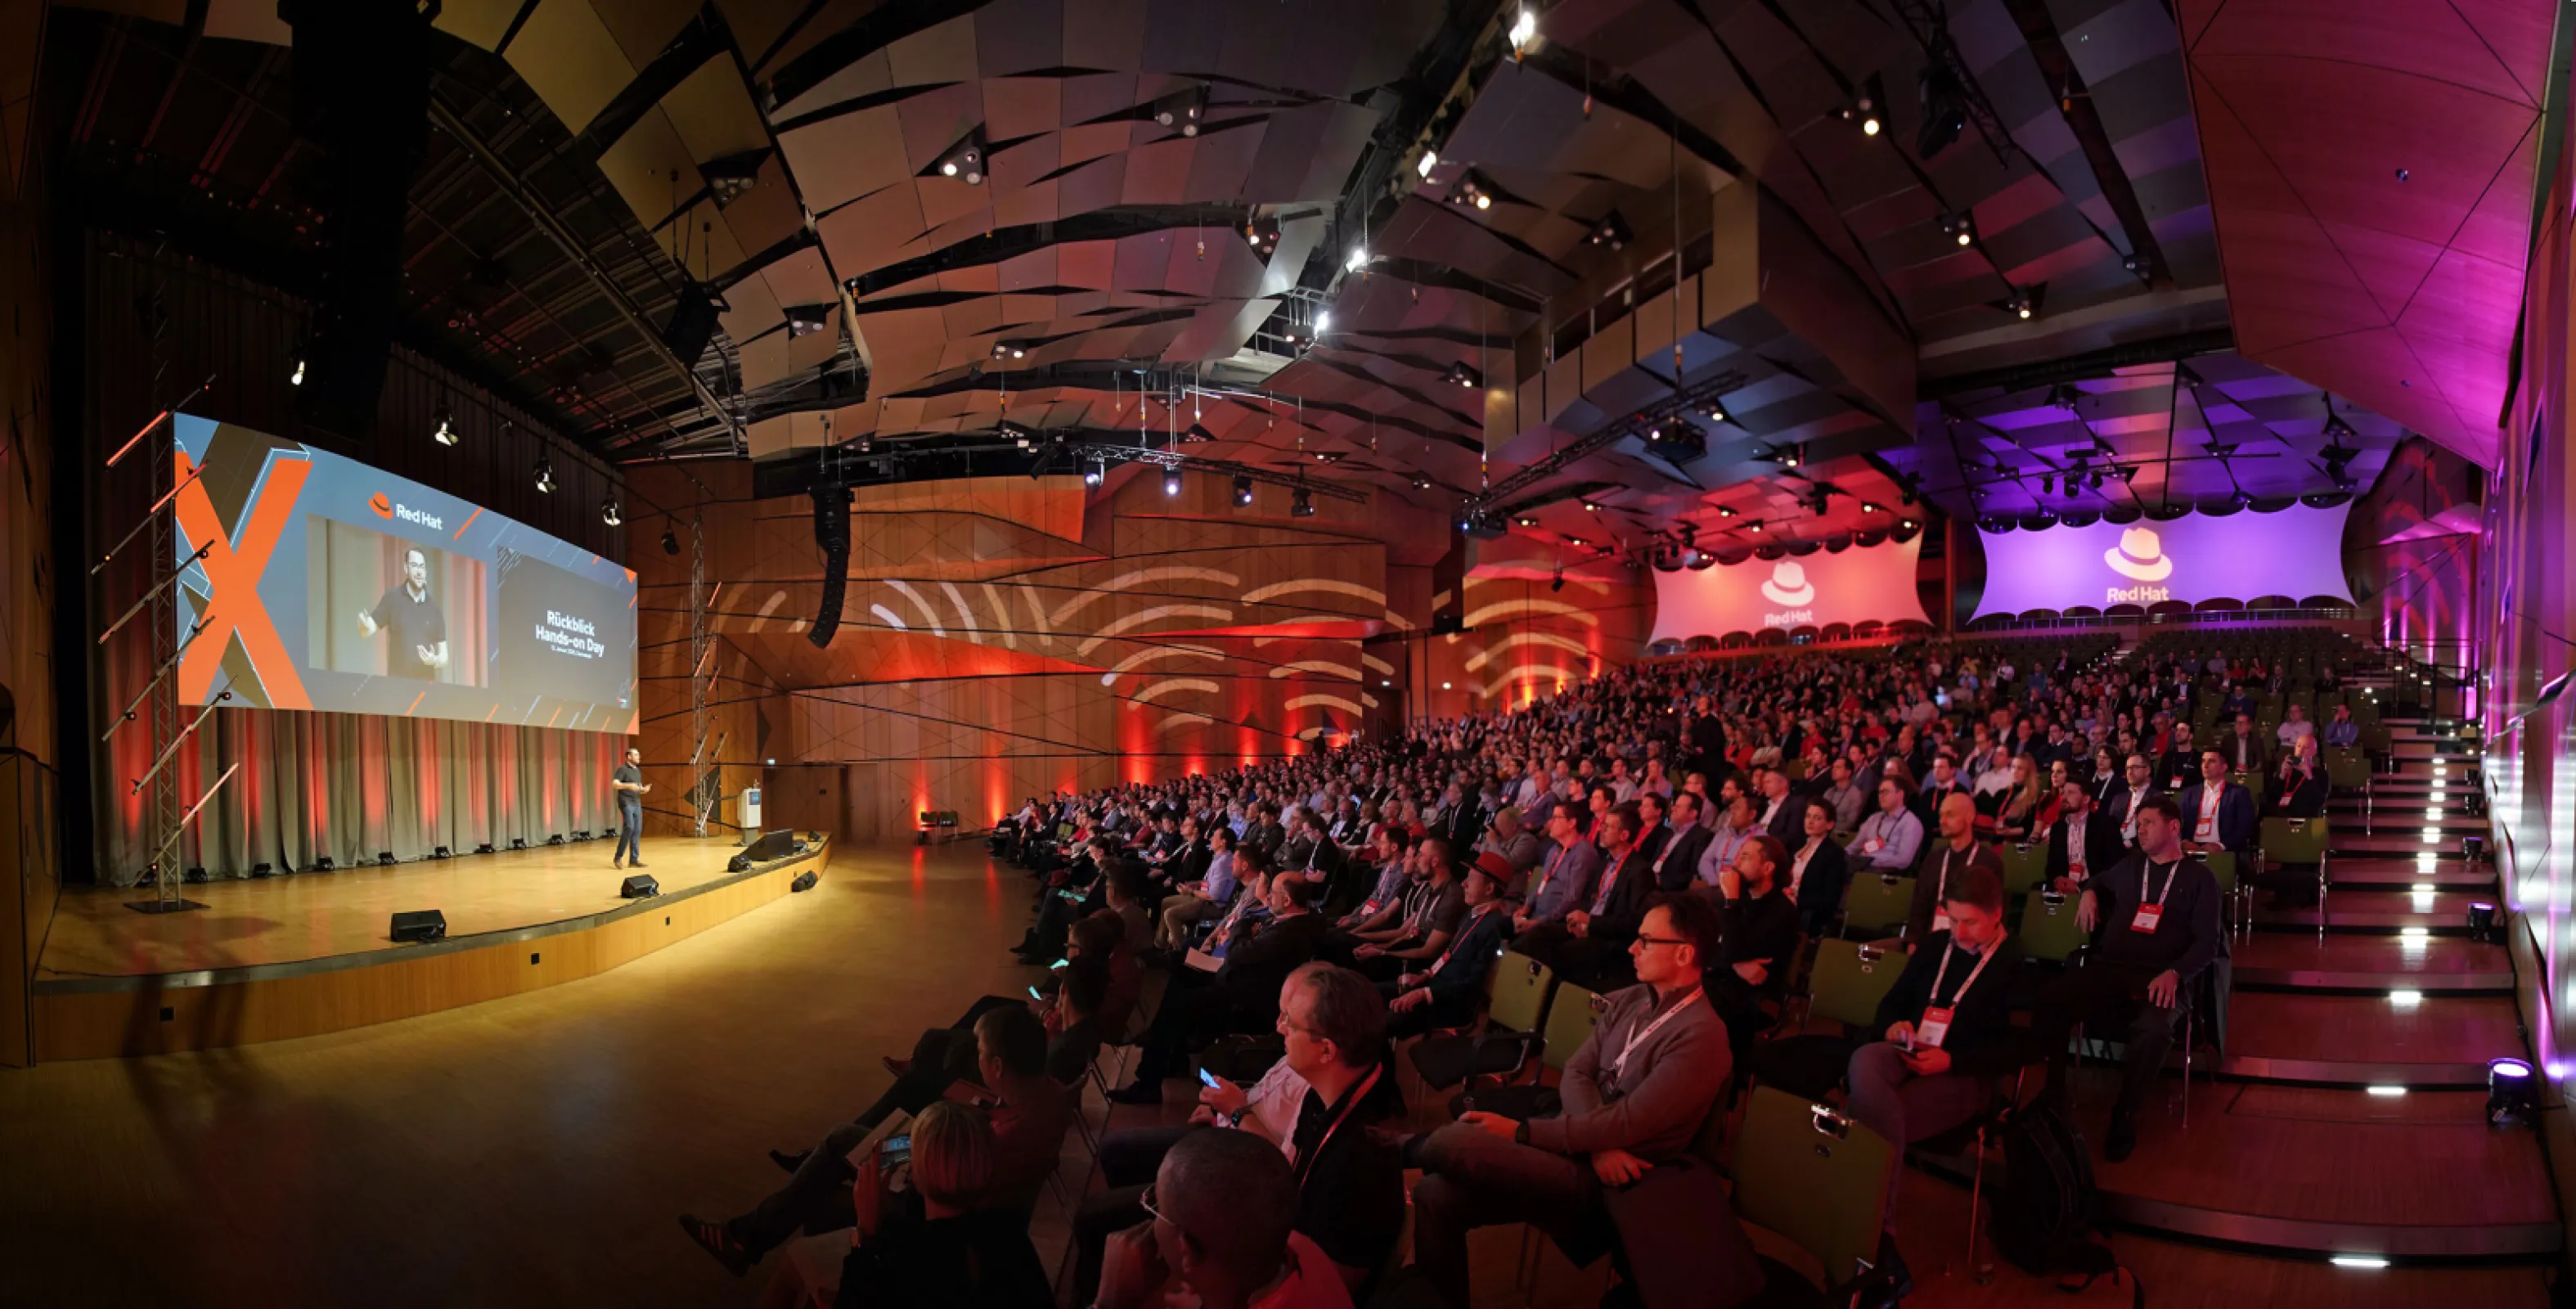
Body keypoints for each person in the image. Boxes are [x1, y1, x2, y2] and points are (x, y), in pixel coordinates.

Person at [1406, 893, 1739, 1309]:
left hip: (1617, 1183)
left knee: (1457, 1141)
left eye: (1646, 941)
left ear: (1684, 954)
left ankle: (1396, 1149)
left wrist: (1523, 1131)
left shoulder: (1701, 1037)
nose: (1633, 948)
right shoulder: (1633, 999)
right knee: (1433, 1195)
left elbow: (1628, 1125)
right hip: (1589, 1149)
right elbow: (1577, 1072)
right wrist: (1596, 1143)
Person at [1074, 964, 1405, 1302]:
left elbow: (1331, 1286)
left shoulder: (1362, 1160)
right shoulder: (1324, 1096)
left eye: (1290, 1022)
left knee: (1101, 1218)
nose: (1279, 1028)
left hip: (1274, 1262)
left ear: (1327, 1051)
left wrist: (1221, 1283)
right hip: (1269, 1235)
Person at [683, 1005, 1073, 1272]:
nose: (979, 1059)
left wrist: (912, 1142)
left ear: (999, 1067)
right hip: (970, 1191)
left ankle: (747, 1240)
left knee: (837, 1151)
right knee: (850, 1142)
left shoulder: (1003, 1139)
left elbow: (936, 1185)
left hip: (936, 1204)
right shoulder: (1052, 1094)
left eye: (983, 1053)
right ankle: (748, 1237)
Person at [1845, 865, 2025, 1284]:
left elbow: (2018, 1049)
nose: (1959, 933)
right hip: (1910, 1053)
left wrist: (1953, 1062)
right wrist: (1894, 1027)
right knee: (1864, 1061)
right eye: (1953, 919)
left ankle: (1871, 1238)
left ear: (1996, 914)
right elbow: (1890, 1006)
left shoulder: (2014, 963)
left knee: (1877, 1115)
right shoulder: (1936, 946)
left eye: (1970, 923)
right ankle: (1878, 1245)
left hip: (1966, 1075)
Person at [2034, 796, 2224, 1162]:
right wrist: (2089, 893)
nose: (2140, 830)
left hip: (2165, 977)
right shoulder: (2131, 865)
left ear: (2173, 827)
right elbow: (2096, 880)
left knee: (2153, 1030)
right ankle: (2053, 1097)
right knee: (2049, 999)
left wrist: (2176, 973)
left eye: (2148, 823)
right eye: (2138, 825)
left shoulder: (2200, 879)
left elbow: (2208, 944)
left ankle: (2125, 1113)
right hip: (2114, 968)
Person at [753, 1100, 1052, 1309]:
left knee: (796, 1257)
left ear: (916, 1178)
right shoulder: (1010, 1233)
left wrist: (865, 1231)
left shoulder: (902, 1258)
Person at [1113, 874, 1333, 1103]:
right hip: (1233, 975)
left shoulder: (1291, 933)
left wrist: (1240, 929)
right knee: (1175, 973)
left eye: (1273, 893)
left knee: (1175, 1006)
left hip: (1244, 997)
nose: (1267, 897)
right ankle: (1173, 1057)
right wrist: (1242, 938)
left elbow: (1239, 953)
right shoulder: (1290, 920)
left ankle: (1149, 1082)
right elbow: (1245, 949)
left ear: (1287, 900)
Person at [1092, 1128, 1357, 1309]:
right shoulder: (1300, 1248)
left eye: (1157, 1206)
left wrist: (1108, 1303)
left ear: (1187, 1250)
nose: (1150, 1214)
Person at [1509, 802, 1656, 990]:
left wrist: (1591, 923)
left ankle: (1544, 1002)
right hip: (1586, 927)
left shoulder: (1639, 871)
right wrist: (1579, 920)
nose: (1601, 830)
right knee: (1537, 936)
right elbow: (1589, 899)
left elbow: (1634, 923)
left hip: (1607, 939)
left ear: (1624, 835)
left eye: (1608, 827)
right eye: (1603, 825)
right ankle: (1510, 987)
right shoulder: (1605, 863)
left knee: (1560, 953)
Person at [1385, 857, 1517, 1037]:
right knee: (1375, 994)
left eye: (1470, 879)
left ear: (1489, 888)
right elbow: (1449, 955)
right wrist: (1424, 975)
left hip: (1451, 1003)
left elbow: (1473, 985)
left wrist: (1425, 993)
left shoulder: (1494, 926)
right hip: (1436, 986)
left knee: (1382, 1022)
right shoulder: (1471, 915)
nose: (1463, 884)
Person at [1707, 834, 1802, 1056]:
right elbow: (1711, 948)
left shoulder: (1782, 912)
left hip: (1750, 998)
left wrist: (1731, 901)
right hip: (1721, 983)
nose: (1737, 863)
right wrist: (1738, 964)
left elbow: (1729, 950)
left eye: (1746, 857)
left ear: (1767, 868)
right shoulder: (1743, 900)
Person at [1906, 794, 2003, 946]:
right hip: (1929, 942)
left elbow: (1992, 917)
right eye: (1941, 815)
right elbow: (1919, 908)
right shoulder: (1934, 859)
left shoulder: (1989, 862)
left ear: (1970, 817)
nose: (1942, 821)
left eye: (1950, 815)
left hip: (1970, 945)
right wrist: (1913, 944)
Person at [354, 545, 449, 680]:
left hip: (426, 689)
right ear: (406, 568)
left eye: (422, 567)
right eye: (415, 566)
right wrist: (363, 626)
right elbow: (368, 631)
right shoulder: (392, 598)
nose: (419, 572)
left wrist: (434, 660)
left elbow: (444, 657)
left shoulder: (435, 609)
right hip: (397, 687)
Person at [1514, 800, 1599, 935]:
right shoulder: (1555, 848)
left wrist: (1539, 922)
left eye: (1556, 818)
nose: (1550, 822)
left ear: (1571, 823)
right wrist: (1527, 906)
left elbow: (1571, 900)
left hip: (1555, 923)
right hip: (1536, 915)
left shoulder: (1583, 854)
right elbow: (1542, 881)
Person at [1785, 797, 1852, 937]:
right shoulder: (1798, 844)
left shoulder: (1834, 854)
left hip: (1806, 912)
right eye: (1808, 816)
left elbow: (1829, 900)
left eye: (1817, 818)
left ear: (1829, 825)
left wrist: (1797, 899)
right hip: (1784, 902)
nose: (1810, 821)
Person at [2044, 778, 2120, 894]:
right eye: (2063, 793)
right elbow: (2051, 866)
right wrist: (2058, 880)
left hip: (2095, 891)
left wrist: (2080, 887)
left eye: (2071, 793)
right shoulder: (2058, 828)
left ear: (2086, 799)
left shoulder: (2105, 826)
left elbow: (2112, 868)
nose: (2064, 797)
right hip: (2063, 891)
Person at [2177, 749, 2256, 861]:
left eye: (2211, 761)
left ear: (2224, 767)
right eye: (2203, 761)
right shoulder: (2189, 793)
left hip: (2223, 851)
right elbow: (2176, 822)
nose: (2205, 765)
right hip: (2191, 850)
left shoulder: (2238, 793)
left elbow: (2245, 827)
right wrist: (2184, 842)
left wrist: (2221, 845)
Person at [1850, 776, 1926, 874]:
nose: (1881, 796)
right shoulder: (1874, 818)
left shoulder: (1911, 823)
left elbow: (1903, 861)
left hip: (1883, 872)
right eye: (1880, 792)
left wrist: (1869, 862)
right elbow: (1854, 847)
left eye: (1885, 792)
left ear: (1900, 794)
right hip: (1860, 865)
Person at [2102, 753, 2158, 850]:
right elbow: (2109, 826)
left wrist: (2130, 843)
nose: (2130, 772)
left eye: (2135, 767)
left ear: (2147, 770)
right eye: (2128, 768)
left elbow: (2154, 832)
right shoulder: (2119, 798)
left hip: (2140, 849)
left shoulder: (2157, 798)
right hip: (2116, 847)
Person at [613, 746, 650, 870]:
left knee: (637, 830)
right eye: (636, 755)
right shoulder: (622, 769)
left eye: (638, 755)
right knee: (629, 827)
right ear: (629, 757)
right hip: (626, 802)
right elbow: (615, 784)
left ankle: (634, 859)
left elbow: (637, 787)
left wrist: (643, 790)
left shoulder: (637, 771)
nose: (639, 757)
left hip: (636, 802)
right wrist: (628, 786)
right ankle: (618, 857)